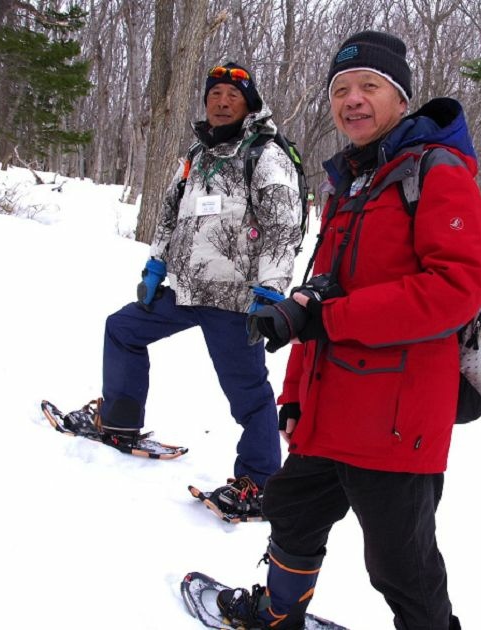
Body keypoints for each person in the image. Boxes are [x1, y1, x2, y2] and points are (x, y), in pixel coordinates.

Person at [216, 32, 481, 629]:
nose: (352, 100)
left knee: (401, 564)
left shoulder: (436, 172)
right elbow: (317, 290)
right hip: (330, 407)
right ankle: (280, 613)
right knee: (291, 510)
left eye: (369, 85)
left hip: (396, 418)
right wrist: (294, 395)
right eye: (341, 89)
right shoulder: (353, 182)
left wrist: (331, 318)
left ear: (400, 98)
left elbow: (455, 288)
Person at [95, 62, 302, 518]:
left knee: (247, 394)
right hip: (186, 290)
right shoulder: (198, 154)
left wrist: (270, 291)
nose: (222, 102)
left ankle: (261, 481)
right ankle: (120, 418)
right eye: (214, 95)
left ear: (249, 103)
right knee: (123, 329)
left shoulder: (265, 154)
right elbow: (172, 214)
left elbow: (284, 226)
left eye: (232, 95)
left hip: (234, 300)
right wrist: (155, 263)